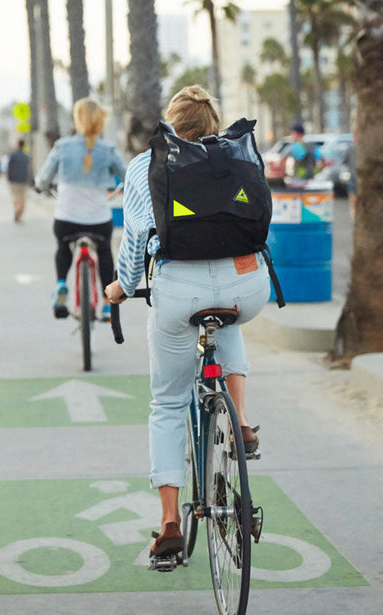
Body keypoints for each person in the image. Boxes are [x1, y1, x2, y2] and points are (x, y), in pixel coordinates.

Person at [104, 85, 270, 559]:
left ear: (171, 122)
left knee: (169, 404)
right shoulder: (237, 156)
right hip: (247, 284)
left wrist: (121, 284)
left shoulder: (147, 164)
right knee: (230, 318)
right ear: (214, 124)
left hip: (179, 292)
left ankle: (170, 523)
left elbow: (137, 237)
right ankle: (239, 420)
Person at [35, 97, 126, 321]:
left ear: (78, 120)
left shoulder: (62, 147)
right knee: (104, 250)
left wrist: (39, 187)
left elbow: (43, 178)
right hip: (98, 220)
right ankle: (106, 304)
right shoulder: (108, 150)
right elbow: (127, 176)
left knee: (63, 246)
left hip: (67, 219)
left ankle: (61, 284)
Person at [6, 139, 31, 223]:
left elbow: (9, 168)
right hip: (24, 180)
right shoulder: (26, 156)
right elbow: (29, 170)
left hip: (14, 180)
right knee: (22, 198)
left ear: (17, 145)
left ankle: (17, 210)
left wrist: (8, 178)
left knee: (15, 197)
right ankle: (20, 215)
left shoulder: (13, 155)